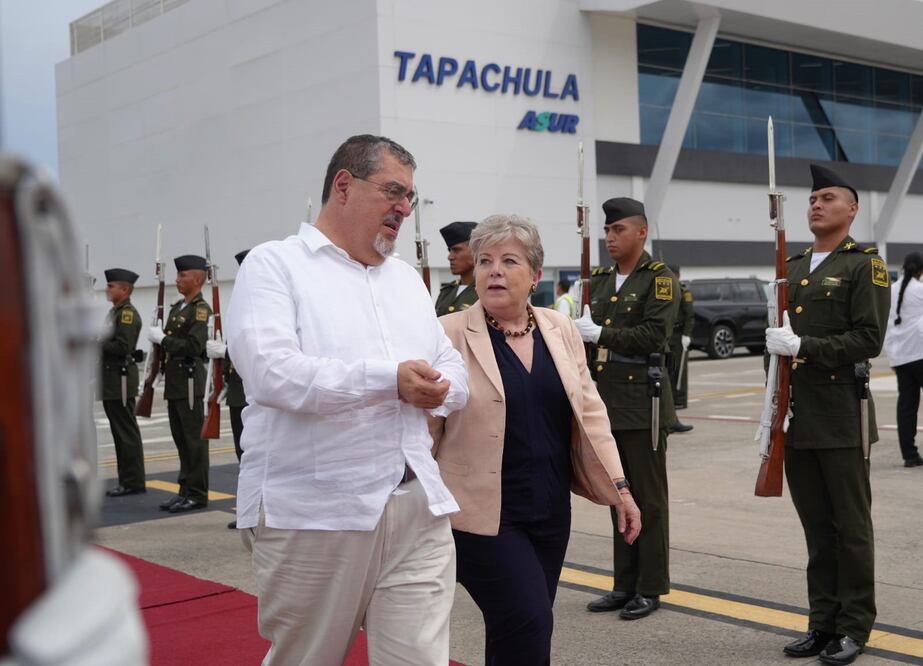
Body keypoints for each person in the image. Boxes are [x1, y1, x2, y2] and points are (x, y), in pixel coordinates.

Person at [224, 134, 469, 666]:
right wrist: (390, 380)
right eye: (393, 191)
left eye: (410, 196)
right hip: (317, 513)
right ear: (343, 185)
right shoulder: (274, 266)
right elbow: (271, 374)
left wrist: (439, 391)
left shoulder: (405, 280)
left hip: (417, 509)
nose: (405, 207)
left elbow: (453, 368)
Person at [431, 214, 641, 665]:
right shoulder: (448, 334)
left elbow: (590, 412)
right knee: (528, 620)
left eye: (509, 261)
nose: (495, 271)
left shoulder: (559, 329)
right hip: (481, 515)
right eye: (485, 261)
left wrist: (620, 488)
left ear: (535, 275)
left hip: (548, 509)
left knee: (518, 628)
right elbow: (425, 429)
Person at [764, 164, 889, 665]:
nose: (817, 205)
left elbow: (868, 339)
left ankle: (854, 627)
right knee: (817, 530)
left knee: (850, 529)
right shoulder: (792, 267)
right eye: (813, 199)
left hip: (840, 416)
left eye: (828, 198)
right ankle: (822, 623)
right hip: (797, 417)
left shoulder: (863, 265)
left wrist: (804, 347)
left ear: (852, 209)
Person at [574, 197, 677, 620]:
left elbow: (654, 335)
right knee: (618, 494)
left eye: (618, 230)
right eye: (606, 230)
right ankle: (624, 583)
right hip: (607, 402)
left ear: (641, 232)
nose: (610, 237)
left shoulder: (659, 279)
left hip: (642, 402)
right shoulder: (598, 281)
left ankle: (649, 586)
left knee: (647, 498)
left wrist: (600, 333)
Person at [146, 255, 212, 514]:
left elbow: (194, 346)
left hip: (190, 382)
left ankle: (197, 493)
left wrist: (163, 340)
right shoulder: (177, 308)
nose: (177, 280)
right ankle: (184, 490)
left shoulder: (200, 309)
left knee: (194, 441)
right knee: (181, 440)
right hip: (175, 382)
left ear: (197, 279)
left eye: (182, 275)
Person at [205, 249, 250, 529]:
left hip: (256, 393)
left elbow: (259, 348)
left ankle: (261, 510)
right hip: (237, 391)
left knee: (259, 454)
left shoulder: (267, 303)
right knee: (242, 453)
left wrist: (227, 352)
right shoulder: (242, 303)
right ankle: (249, 509)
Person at [101, 268, 146, 497]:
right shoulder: (115, 312)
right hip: (111, 379)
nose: (107, 289)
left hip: (120, 379)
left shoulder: (126, 314)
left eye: (111, 286)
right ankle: (127, 479)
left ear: (125, 289)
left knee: (125, 431)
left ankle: (133, 481)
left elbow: (122, 346)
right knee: (119, 432)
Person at [884, 252, 923, 468]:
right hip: (919, 353)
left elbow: (888, 324)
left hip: (901, 357)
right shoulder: (920, 290)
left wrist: (892, 358)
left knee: (907, 406)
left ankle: (910, 455)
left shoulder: (891, 290)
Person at [668, 265, 694, 433]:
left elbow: (689, 314)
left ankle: (678, 402)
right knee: (667, 374)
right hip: (665, 336)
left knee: (678, 372)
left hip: (678, 337)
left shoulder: (684, 291)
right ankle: (670, 413)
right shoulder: (663, 290)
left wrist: (686, 334)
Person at [435, 220, 479, 315]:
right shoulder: (446, 292)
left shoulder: (485, 291)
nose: (450, 257)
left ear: (475, 251)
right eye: (450, 250)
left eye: (456, 250)